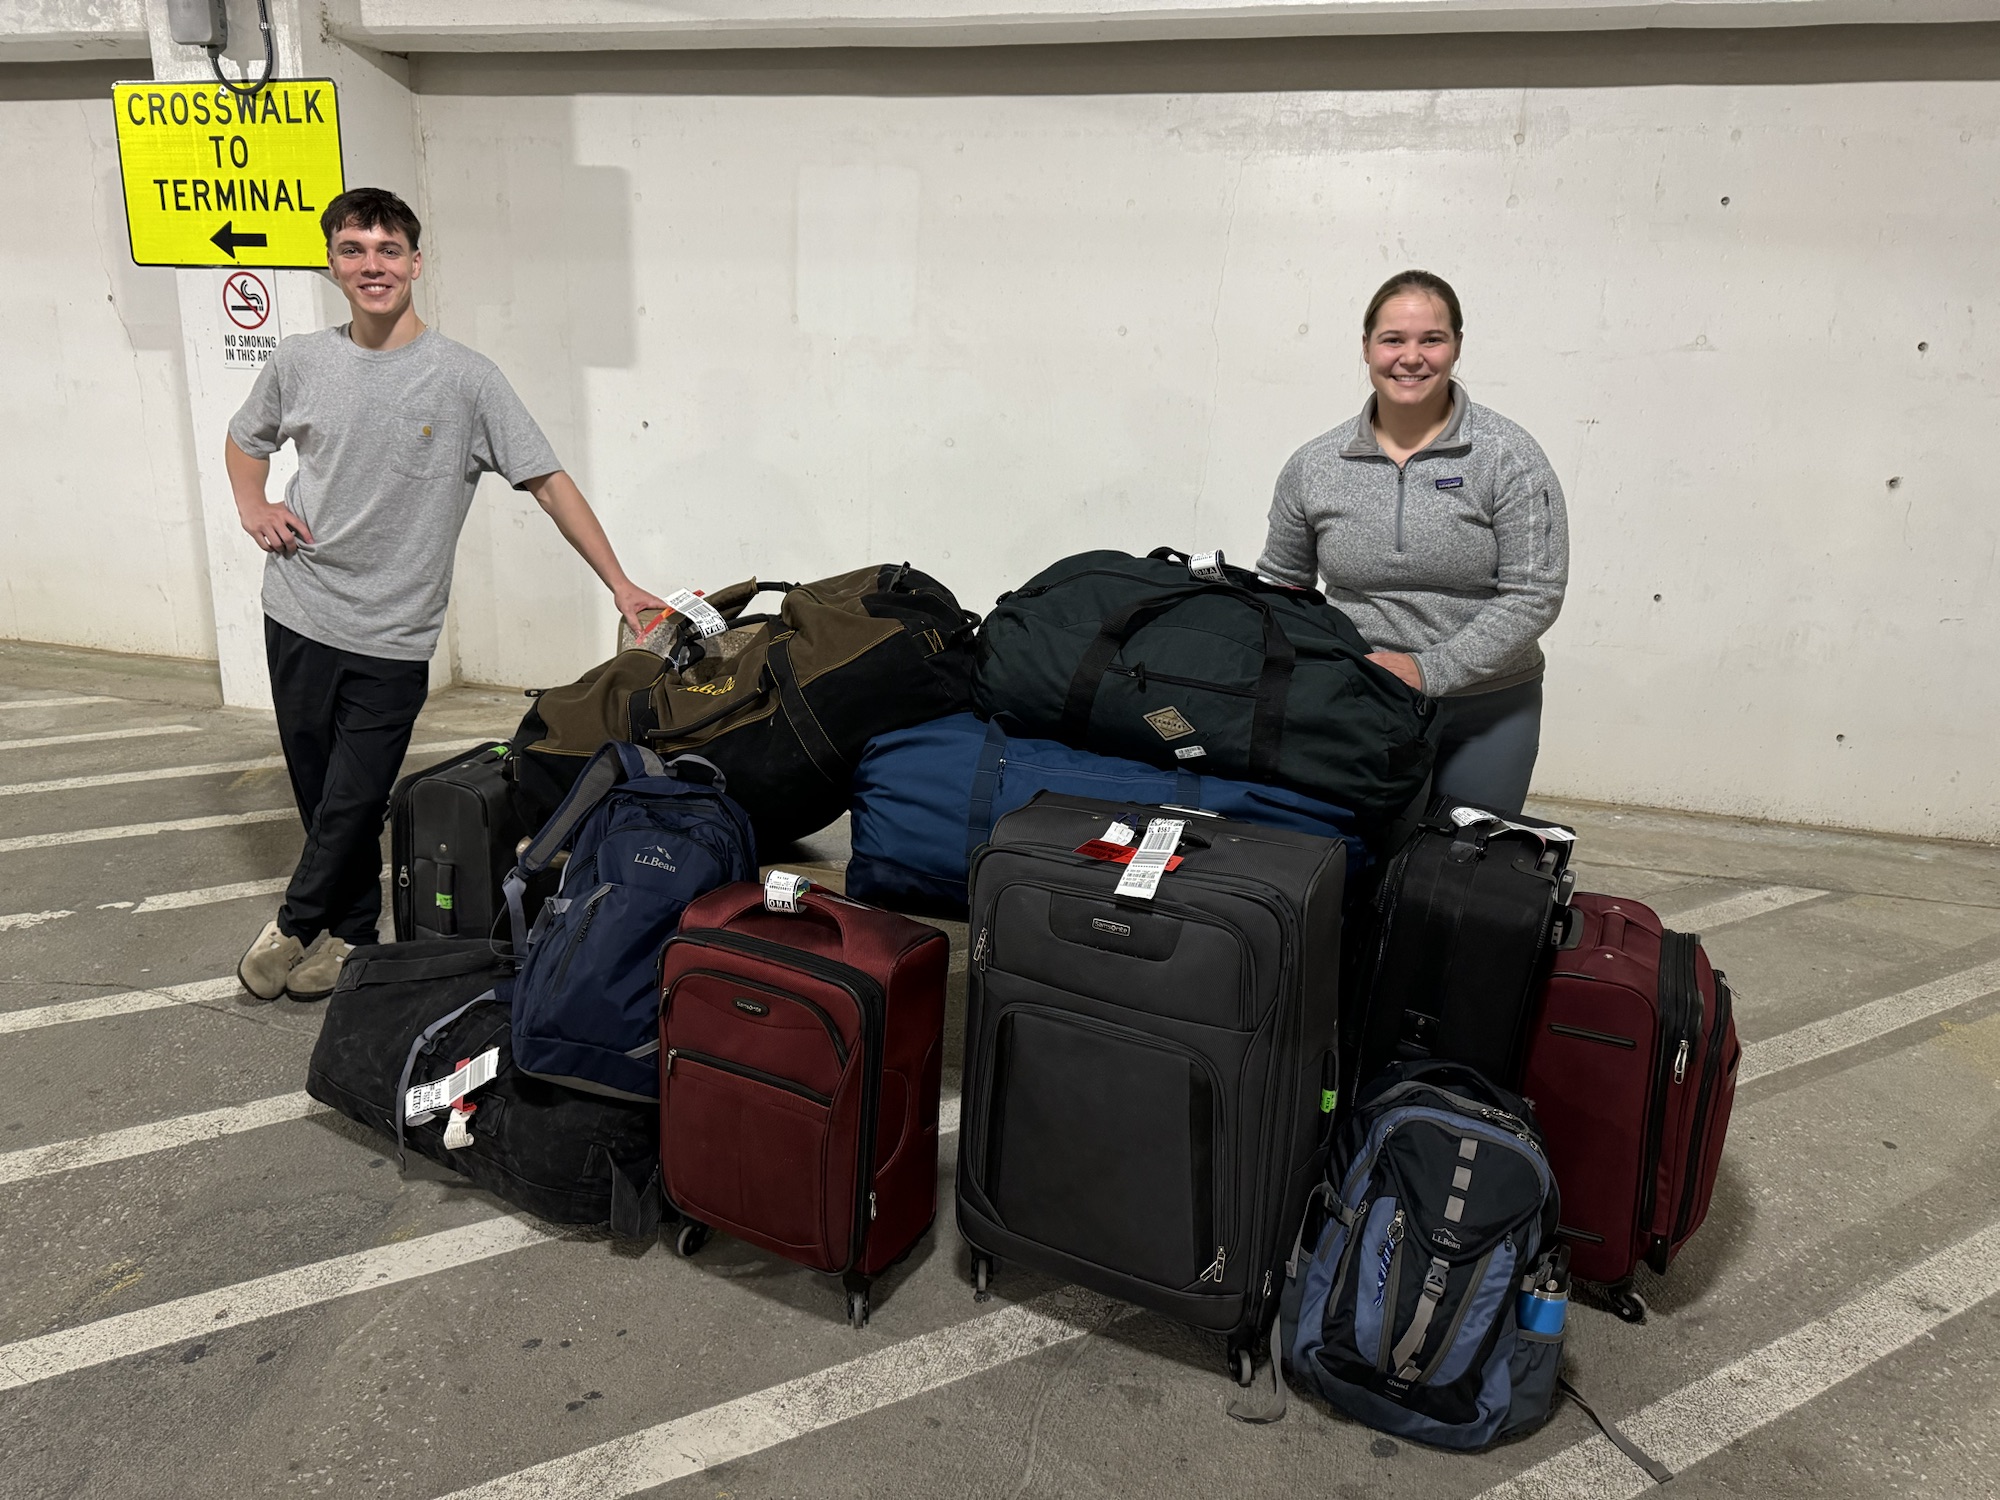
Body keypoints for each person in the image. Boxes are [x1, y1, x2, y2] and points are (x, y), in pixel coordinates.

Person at [224, 186, 666, 1002]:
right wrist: (254, 504)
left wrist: (619, 581)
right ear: (332, 262)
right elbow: (245, 439)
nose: (372, 266)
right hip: (298, 608)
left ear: (415, 264)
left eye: (388, 251)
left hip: (393, 632)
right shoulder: (300, 361)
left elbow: (549, 480)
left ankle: (292, 921)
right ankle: (350, 936)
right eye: (353, 250)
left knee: (357, 792)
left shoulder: (466, 380)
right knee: (323, 793)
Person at [1256, 270, 1569, 817]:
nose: (1411, 357)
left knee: (1461, 879)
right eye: (1393, 340)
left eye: (1432, 339)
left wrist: (1430, 670)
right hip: (1360, 703)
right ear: (1366, 348)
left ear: (1457, 347)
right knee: (1357, 870)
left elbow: (1534, 593)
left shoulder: (1509, 456)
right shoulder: (1314, 465)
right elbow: (1282, 588)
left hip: (1487, 708)